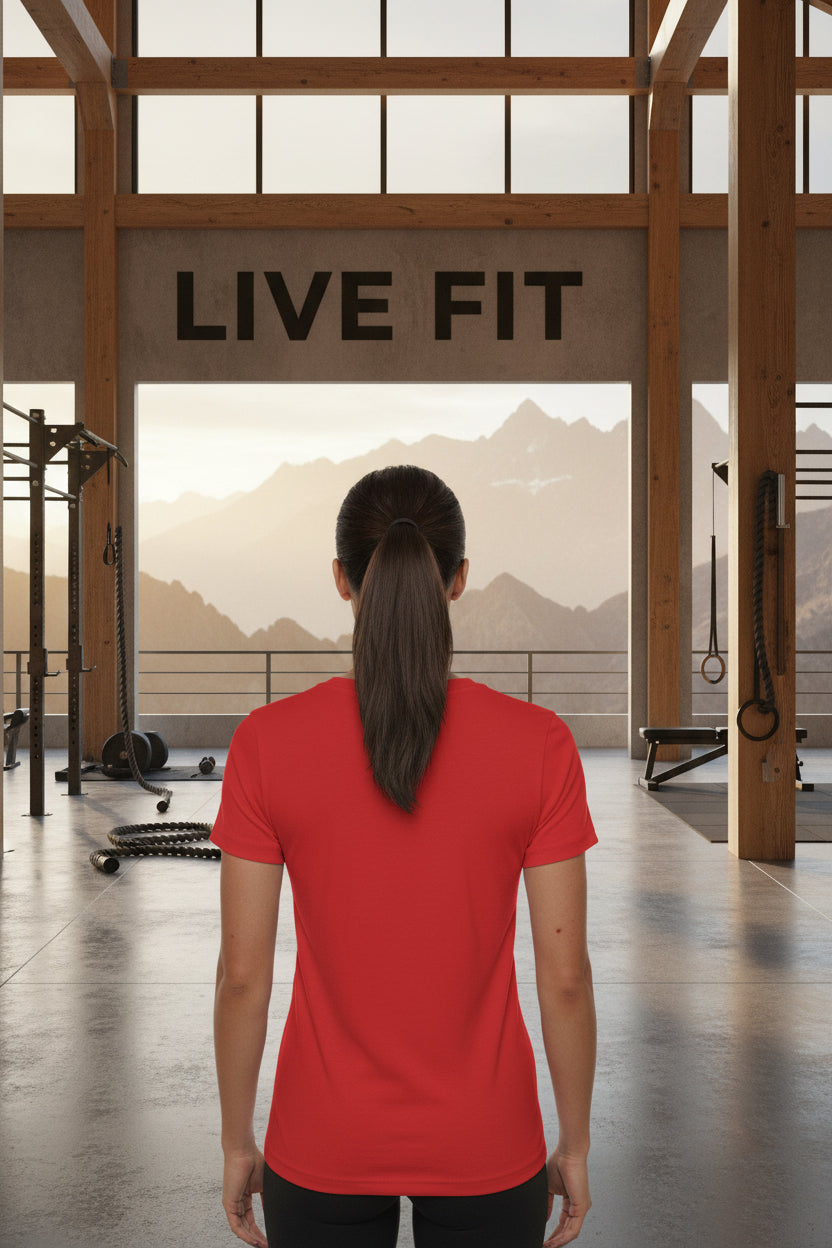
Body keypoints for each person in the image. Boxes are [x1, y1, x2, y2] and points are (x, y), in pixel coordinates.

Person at [212, 464, 597, 1248]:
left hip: (321, 1142)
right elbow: (564, 976)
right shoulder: (539, 745)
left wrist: (235, 1141)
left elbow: (243, 974)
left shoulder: (266, 743)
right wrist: (577, 1143)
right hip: (487, 1143)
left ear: (342, 580)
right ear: (456, 580)